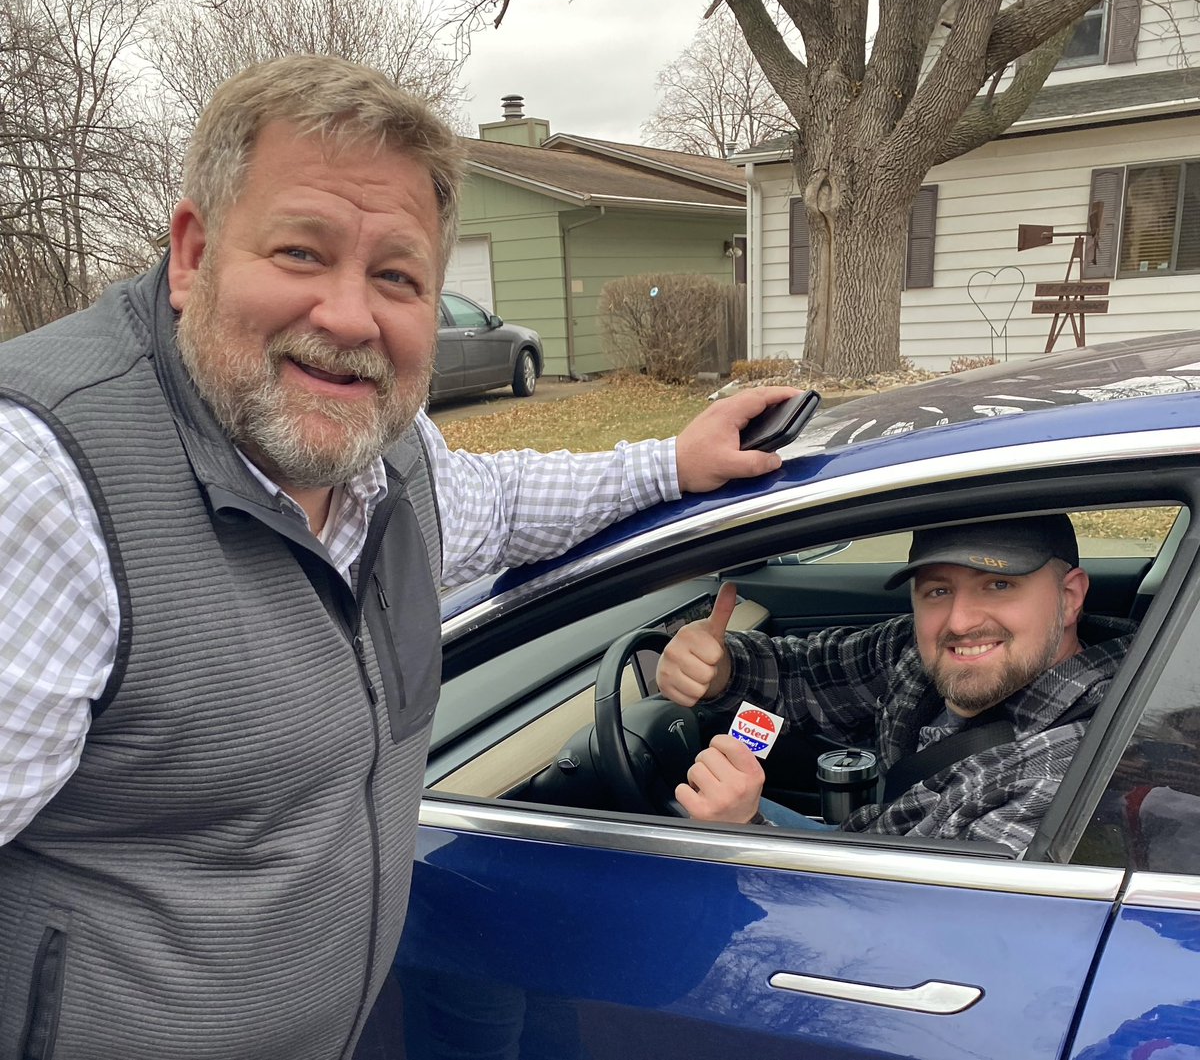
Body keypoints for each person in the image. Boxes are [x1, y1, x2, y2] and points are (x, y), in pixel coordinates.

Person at [0, 55, 799, 1060]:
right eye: (301, 251)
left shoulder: (386, 455)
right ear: (194, 253)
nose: (348, 316)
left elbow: (504, 504)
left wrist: (672, 462)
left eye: (395, 276)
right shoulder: (45, 482)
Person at [657, 515, 1135, 852]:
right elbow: (810, 672)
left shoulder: (1074, 772)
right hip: (875, 848)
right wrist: (720, 668)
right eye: (938, 590)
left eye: (998, 584)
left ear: (1070, 598)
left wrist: (747, 834)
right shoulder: (920, 652)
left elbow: (920, 936)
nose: (961, 622)